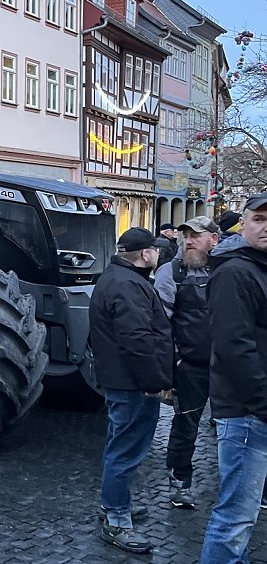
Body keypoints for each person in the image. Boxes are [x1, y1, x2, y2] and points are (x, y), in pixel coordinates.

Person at [89, 227, 174, 554]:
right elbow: (138, 340)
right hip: (133, 384)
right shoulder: (129, 285)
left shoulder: (114, 277)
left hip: (120, 380)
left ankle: (114, 503)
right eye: (156, 250)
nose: (158, 254)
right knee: (125, 450)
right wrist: (154, 382)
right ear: (145, 254)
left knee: (118, 444)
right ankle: (116, 520)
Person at [200, 193, 267, 563]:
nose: (266, 226)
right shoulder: (235, 272)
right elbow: (234, 347)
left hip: (255, 409)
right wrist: (263, 403)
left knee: (244, 516)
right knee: (235, 519)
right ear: (244, 225)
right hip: (247, 413)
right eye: (258, 219)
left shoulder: (258, 267)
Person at [154, 216, 219, 509]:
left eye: (196, 235)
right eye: (186, 236)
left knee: (237, 427)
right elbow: (160, 323)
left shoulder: (226, 270)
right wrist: (172, 363)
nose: (189, 241)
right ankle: (180, 483)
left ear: (213, 239)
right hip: (190, 366)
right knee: (185, 425)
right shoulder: (172, 272)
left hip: (227, 366)